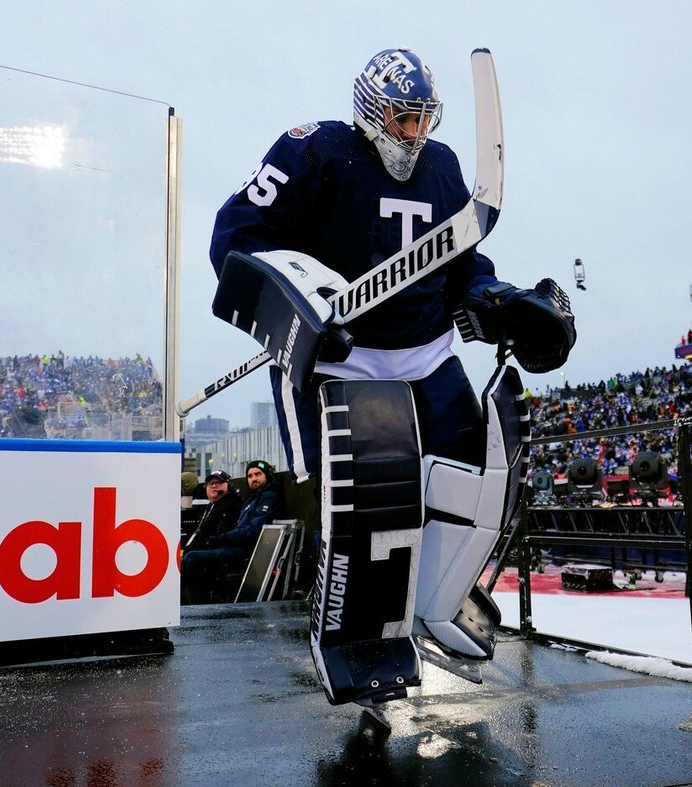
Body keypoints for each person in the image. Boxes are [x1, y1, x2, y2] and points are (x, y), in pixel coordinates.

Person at [208, 47, 574, 714]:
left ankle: (436, 601)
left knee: (472, 473)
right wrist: (297, 302)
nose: (415, 135)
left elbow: (464, 261)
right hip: (338, 350)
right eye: (404, 120)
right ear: (372, 112)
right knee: (354, 499)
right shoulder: (310, 151)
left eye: (422, 120)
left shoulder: (443, 166)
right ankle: (351, 627)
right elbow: (236, 235)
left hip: (425, 346)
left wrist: (495, 298)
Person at [180, 461, 280, 604]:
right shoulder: (252, 498)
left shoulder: (268, 497)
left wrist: (220, 539)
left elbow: (252, 531)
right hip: (236, 546)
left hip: (248, 552)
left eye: (258, 474)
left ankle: (169, 599)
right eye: (250, 476)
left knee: (192, 557)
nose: (254, 478)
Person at [183, 470, 243, 553]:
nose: (214, 486)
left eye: (218, 482)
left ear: (228, 486)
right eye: (211, 483)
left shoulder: (231, 504)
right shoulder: (211, 505)